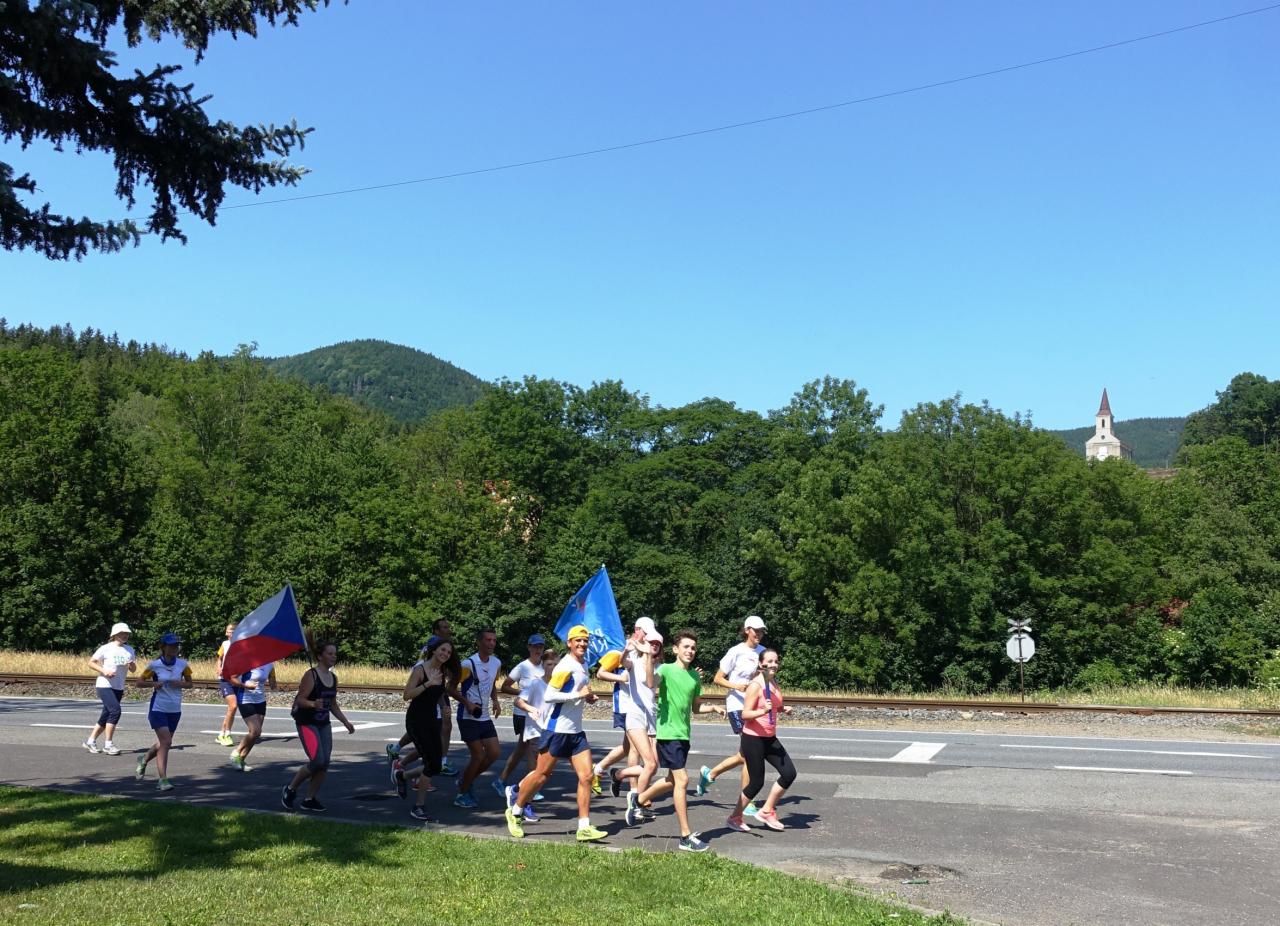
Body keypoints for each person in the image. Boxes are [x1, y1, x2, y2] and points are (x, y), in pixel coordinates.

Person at [503, 624, 606, 842]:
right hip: (557, 731)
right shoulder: (565, 666)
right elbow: (550, 695)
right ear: (569, 643)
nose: (582, 644)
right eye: (578, 640)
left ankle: (584, 827)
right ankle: (515, 810)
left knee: (587, 776)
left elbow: (575, 692)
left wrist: (587, 697)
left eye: (585, 640)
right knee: (541, 775)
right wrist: (578, 695)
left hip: (576, 732)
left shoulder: (583, 664)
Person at [630, 629, 726, 852]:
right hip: (668, 734)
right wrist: (648, 655)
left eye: (693, 648)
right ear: (675, 649)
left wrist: (713, 707)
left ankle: (638, 800)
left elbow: (696, 707)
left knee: (672, 781)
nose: (690, 651)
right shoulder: (666, 669)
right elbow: (650, 682)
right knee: (682, 781)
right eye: (686, 647)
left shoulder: (694, 676)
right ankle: (685, 837)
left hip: (683, 735)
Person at [697, 615, 767, 815]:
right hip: (737, 706)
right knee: (750, 755)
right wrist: (736, 686)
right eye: (756, 630)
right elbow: (718, 678)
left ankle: (710, 774)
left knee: (745, 754)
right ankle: (747, 802)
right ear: (747, 630)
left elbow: (766, 679)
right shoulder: (736, 651)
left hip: (753, 707)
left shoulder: (763, 652)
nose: (759, 634)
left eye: (761, 631)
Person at [281, 640, 355, 813]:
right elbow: (300, 700)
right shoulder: (311, 675)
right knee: (317, 761)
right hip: (307, 723)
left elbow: (333, 704)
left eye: (335, 654)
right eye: (330, 653)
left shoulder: (333, 678)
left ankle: (310, 799)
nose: (334, 657)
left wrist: (345, 722)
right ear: (320, 656)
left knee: (325, 763)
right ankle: (290, 789)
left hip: (323, 723)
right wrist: (313, 704)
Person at [727, 649, 796, 832]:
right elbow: (745, 714)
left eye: (776, 661)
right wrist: (763, 711)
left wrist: (782, 709)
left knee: (789, 773)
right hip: (753, 739)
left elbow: (774, 705)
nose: (774, 664)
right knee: (756, 783)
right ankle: (735, 817)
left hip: (769, 737)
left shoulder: (772, 681)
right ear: (761, 664)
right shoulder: (755, 685)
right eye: (770, 661)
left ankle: (766, 811)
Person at [388, 618, 459, 778]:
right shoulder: (432, 645)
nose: (448, 630)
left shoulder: (445, 651)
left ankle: (405, 761)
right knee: (429, 739)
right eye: (444, 627)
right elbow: (408, 693)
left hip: (435, 694)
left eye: (448, 627)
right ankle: (415, 771)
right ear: (436, 631)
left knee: (433, 738)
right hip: (426, 698)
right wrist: (429, 683)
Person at [398, 636, 455, 821]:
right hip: (416, 720)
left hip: (431, 720)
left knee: (437, 765)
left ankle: (402, 776)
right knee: (431, 764)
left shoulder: (442, 671)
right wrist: (427, 683)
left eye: (448, 652)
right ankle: (418, 806)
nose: (445, 654)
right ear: (434, 650)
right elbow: (407, 695)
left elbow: (439, 695)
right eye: (443, 650)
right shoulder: (420, 670)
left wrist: (444, 707)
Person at [448, 627, 502, 807]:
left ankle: (465, 780)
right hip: (467, 717)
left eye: (494, 640)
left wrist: (495, 701)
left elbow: (492, 683)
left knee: (494, 753)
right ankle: (461, 795)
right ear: (478, 642)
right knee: (478, 756)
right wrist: (467, 703)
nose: (491, 643)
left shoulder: (496, 663)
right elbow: (450, 688)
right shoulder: (468, 664)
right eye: (488, 640)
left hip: (484, 716)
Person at [134, 632, 192, 790]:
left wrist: (180, 684)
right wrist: (154, 684)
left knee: (162, 743)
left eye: (176, 646)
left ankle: (144, 759)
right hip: (158, 708)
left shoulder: (183, 665)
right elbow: (139, 683)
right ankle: (163, 780)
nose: (174, 648)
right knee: (166, 742)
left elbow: (190, 684)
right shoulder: (154, 665)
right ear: (163, 647)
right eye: (171, 646)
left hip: (175, 709)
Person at [509, 646, 560, 823]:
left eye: (555, 664)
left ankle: (516, 790)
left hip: (552, 732)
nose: (552, 668)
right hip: (535, 730)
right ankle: (525, 804)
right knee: (536, 771)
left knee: (545, 772)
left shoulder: (559, 685)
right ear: (543, 665)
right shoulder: (535, 684)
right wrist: (531, 709)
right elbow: (518, 701)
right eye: (549, 664)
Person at [614, 627, 662, 812]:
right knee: (649, 763)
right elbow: (622, 661)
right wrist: (627, 649)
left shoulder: (660, 667)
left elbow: (650, 682)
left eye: (658, 644)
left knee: (654, 766)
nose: (654, 646)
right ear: (645, 643)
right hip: (635, 716)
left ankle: (619, 774)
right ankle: (637, 804)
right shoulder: (634, 661)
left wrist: (648, 655)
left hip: (652, 717)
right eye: (651, 643)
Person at [494, 633, 546, 797]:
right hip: (522, 713)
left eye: (540, 646)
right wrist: (523, 693)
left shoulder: (545, 666)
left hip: (537, 715)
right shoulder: (522, 667)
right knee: (531, 749)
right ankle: (531, 789)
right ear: (529, 647)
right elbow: (505, 686)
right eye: (535, 646)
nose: (538, 649)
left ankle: (500, 780)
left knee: (521, 750)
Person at [84, 622, 137, 756]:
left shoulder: (129, 649)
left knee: (106, 715)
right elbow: (91, 662)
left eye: (127, 633)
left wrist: (131, 665)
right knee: (115, 711)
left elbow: (133, 669)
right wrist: (104, 671)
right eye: (122, 633)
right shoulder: (106, 648)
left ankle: (90, 741)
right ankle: (108, 745)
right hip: (104, 684)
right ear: (115, 635)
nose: (125, 635)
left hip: (118, 686)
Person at [227, 661, 277, 771]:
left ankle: (241, 759)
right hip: (245, 699)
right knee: (255, 731)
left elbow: (273, 683)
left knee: (255, 734)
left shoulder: (270, 664)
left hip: (260, 701)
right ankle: (236, 752)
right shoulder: (248, 662)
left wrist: (273, 683)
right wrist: (245, 685)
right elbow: (232, 678)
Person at [214, 622, 238, 746]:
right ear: (226, 632)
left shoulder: (241, 644)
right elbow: (219, 658)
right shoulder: (225, 644)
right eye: (229, 630)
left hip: (237, 680)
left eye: (234, 630)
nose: (231, 632)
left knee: (231, 709)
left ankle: (221, 734)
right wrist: (218, 668)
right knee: (233, 706)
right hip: (225, 679)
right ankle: (227, 734)